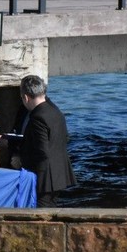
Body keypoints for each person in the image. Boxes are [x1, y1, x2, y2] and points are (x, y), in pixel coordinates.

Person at [18, 74, 76, 207]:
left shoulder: (37, 117)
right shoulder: (56, 111)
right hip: (59, 174)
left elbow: (41, 151)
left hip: (45, 178)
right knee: (52, 207)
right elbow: (64, 138)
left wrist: (21, 159)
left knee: (41, 213)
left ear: (26, 97)